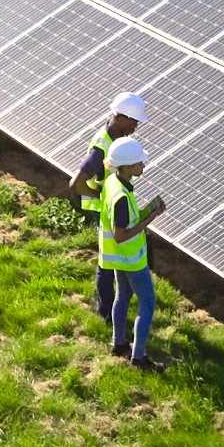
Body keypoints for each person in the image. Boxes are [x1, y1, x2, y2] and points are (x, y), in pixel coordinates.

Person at [72, 92, 144, 330]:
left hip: (110, 207)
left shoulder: (115, 138)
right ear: (121, 117)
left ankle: (116, 304)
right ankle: (106, 313)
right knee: (106, 262)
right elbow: (76, 183)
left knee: (110, 259)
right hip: (104, 211)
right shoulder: (101, 147)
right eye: (134, 120)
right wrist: (102, 198)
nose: (136, 125)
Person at [99, 136, 166, 368]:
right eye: (139, 162)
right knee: (147, 303)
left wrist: (145, 213)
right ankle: (138, 358)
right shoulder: (120, 198)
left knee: (123, 296)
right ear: (127, 167)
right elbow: (121, 234)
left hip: (118, 256)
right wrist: (151, 217)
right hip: (132, 259)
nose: (143, 165)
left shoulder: (112, 182)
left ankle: (118, 344)